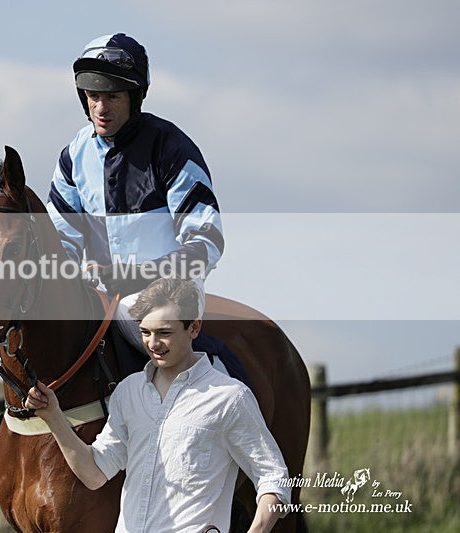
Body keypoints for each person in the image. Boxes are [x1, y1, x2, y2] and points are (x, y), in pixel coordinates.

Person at [24, 278, 289, 532]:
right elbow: (94, 474)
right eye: (145, 332)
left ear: (194, 328)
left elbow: (274, 479)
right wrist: (54, 417)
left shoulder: (230, 397)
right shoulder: (128, 393)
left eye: (164, 333)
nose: (153, 344)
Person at [46, 33, 224, 357]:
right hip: (100, 295)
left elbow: (207, 240)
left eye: (112, 96)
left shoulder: (171, 147)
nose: (101, 108)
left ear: (135, 95)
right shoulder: (73, 156)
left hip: (170, 293)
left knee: (141, 327)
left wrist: (137, 275)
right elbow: (62, 240)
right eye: (93, 95)